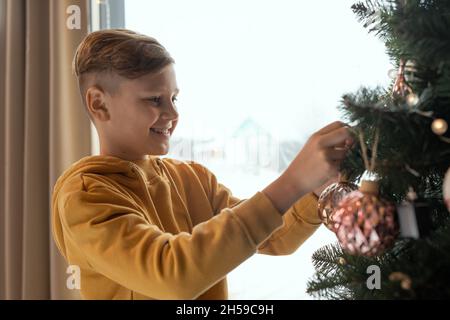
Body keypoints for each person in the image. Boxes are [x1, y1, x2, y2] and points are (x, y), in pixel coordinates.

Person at [51, 29, 353, 300]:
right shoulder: (85, 195)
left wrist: (316, 188)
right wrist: (294, 180)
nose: (171, 113)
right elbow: (173, 275)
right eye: (154, 99)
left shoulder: (192, 178)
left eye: (174, 98)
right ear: (99, 104)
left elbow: (275, 237)